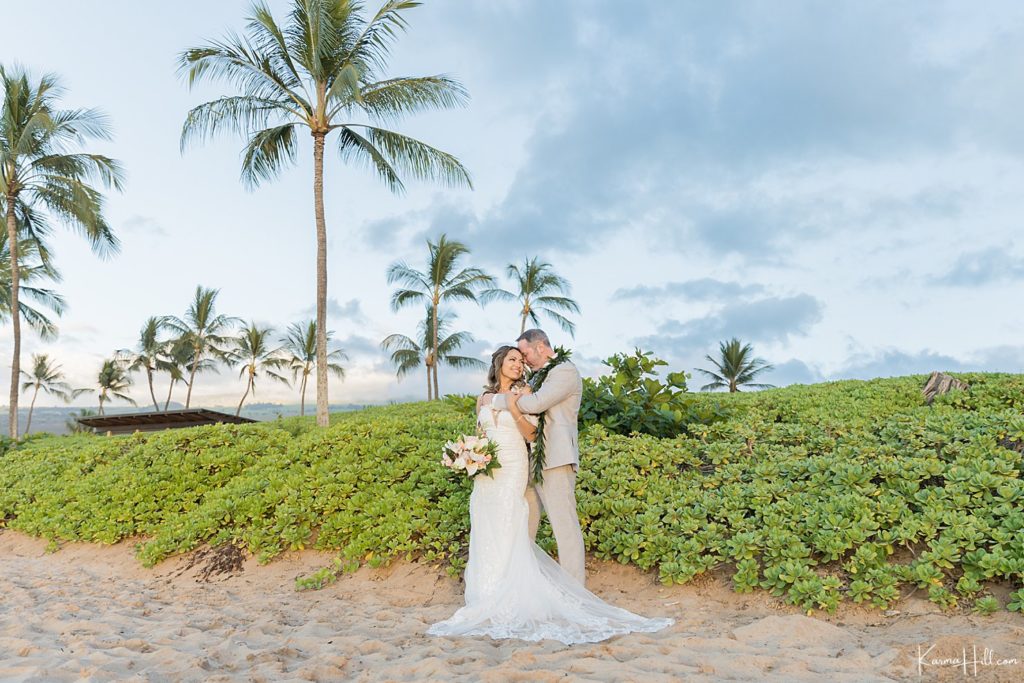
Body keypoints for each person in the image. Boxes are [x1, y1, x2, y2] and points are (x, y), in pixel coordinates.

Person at [427, 344, 673, 644]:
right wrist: (469, 455)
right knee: (486, 525)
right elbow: (480, 433)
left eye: (522, 359)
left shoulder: (527, 392)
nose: (519, 364)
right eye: (513, 360)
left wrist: (513, 407)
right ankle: (486, 594)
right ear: (499, 364)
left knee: (510, 523)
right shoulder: (482, 397)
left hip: (515, 463)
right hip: (488, 471)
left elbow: (531, 434)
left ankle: (522, 594)